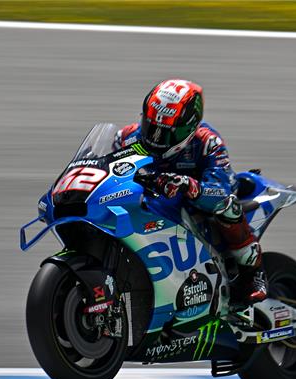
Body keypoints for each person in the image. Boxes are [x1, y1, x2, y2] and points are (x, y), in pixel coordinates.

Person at [114, 79, 267, 304]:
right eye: (150, 127)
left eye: (165, 133)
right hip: (152, 197)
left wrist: (188, 185)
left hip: (197, 200)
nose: (155, 139)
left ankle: (253, 273)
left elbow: (221, 188)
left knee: (227, 205)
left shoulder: (207, 141)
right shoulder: (126, 137)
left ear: (188, 128)